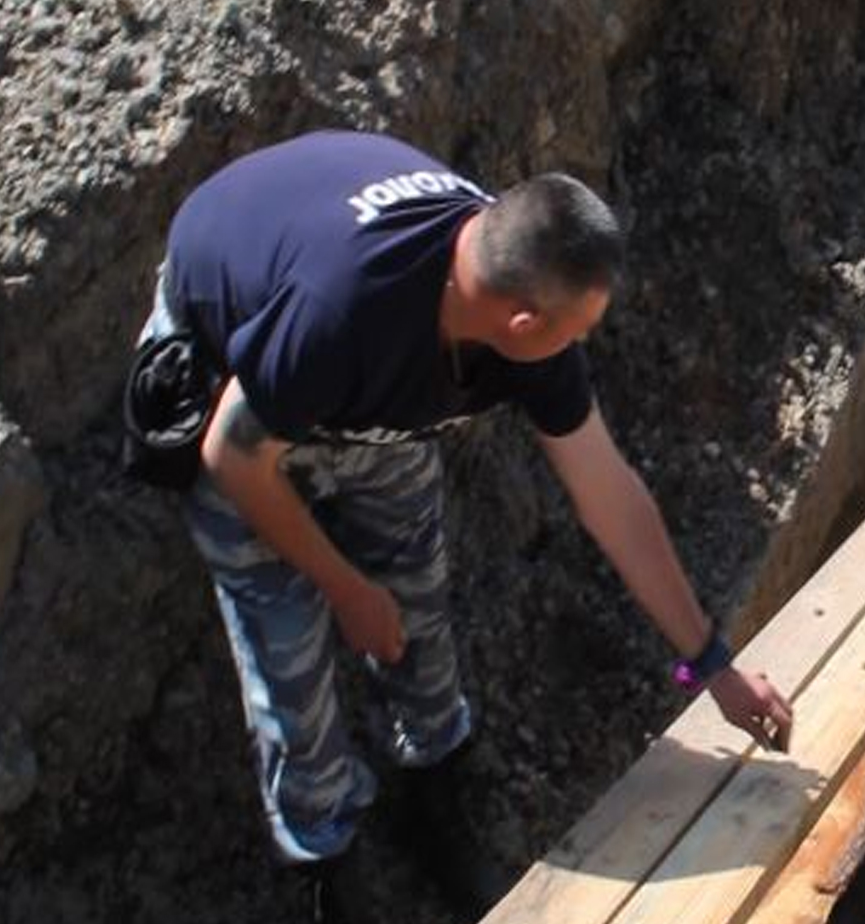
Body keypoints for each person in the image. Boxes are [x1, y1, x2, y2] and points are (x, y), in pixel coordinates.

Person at [136, 130, 793, 922]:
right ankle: (324, 861)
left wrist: (711, 664)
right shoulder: (342, 311)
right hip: (243, 391)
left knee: (416, 600)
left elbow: (608, 491)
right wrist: (345, 587)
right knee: (290, 661)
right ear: (519, 324)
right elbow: (233, 457)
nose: (580, 345)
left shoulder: (517, 280)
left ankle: (434, 790)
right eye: (574, 329)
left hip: (372, 405)